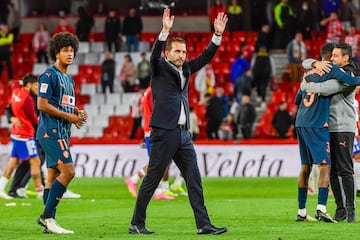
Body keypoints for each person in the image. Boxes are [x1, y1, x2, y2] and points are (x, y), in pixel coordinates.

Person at [128, 8, 228, 235]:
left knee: (194, 180)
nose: (182, 55)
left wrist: (217, 36)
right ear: (168, 53)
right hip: (164, 132)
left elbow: (205, 57)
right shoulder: (159, 67)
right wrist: (164, 32)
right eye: (177, 52)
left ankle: (204, 225)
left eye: (184, 51)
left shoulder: (187, 69)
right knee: (152, 180)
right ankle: (136, 223)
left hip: (183, 134)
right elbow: (153, 56)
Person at [295, 42, 360, 223]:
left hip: (343, 128)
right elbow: (306, 63)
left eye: (336, 56)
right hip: (326, 126)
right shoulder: (329, 71)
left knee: (345, 170)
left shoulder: (348, 74)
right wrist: (315, 63)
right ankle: (340, 209)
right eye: (331, 56)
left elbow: (328, 89)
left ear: (346, 58)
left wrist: (307, 86)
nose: (332, 60)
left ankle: (351, 211)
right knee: (331, 170)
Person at [36, 32, 87, 234]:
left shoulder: (69, 80)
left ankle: (50, 223)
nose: (69, 54)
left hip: (62, 132)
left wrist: (76, 111)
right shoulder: (48, 75)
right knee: (69, 172)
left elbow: (65, 103)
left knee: (53, 176)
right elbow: (42, 104)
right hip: (51, 131)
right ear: (56, 53)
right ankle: (46, 217)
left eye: (71, 50)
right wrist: (69, 117)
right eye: (65, 50)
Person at [125, 86, 187, 200]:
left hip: (154, 129)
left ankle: (158, 190)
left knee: (160, 161)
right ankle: (133, 179)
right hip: (153, 130)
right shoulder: (153, 91)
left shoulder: (152, 90)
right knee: (157, 162)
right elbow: (157, 110)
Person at [0, 75, 43, 200]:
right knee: (36, 162)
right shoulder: (28, 99)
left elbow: (15, 83)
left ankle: (1, 188)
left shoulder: (16, 91)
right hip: (25, 134)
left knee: (13, 163)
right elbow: (33, 118)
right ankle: (40, 191)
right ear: (29, 85)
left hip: (16, 133)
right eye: (35, 85)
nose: (37, 87)